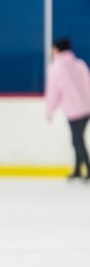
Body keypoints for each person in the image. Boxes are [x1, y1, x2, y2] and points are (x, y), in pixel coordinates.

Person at [45, 37, 90, 181]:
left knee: (77, 140)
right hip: (86, 108)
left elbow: (54, 92)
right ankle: (77, 169)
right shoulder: (80, 65)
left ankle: (87, 168)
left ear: (57, 49)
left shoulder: (56, 67)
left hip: (73, 110)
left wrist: (50, 109)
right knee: (76, 139)